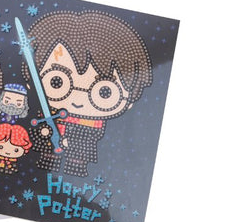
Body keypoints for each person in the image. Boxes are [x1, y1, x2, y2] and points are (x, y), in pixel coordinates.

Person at [25, 11, 153, 177]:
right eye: (57, 81)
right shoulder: (47, 113)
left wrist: (72, 139)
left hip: (83, 143)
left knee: (78, 160)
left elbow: (95, 135)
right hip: (47, 142)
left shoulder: (95, 124)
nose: (78, 101)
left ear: (130, 100)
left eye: (105, 92)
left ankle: (76, 168)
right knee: (46, 156)